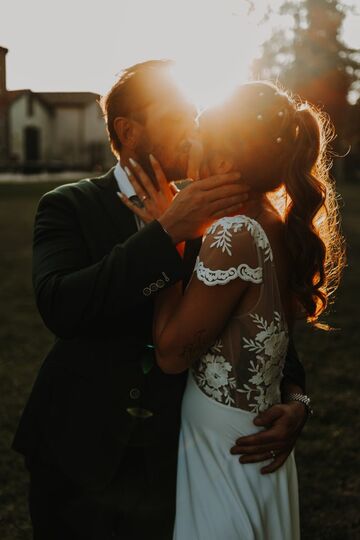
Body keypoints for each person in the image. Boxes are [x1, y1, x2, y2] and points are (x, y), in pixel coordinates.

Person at [12, 61, 308, 540]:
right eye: (176, 115)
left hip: (177, 464)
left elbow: (259, 330)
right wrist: (166, 233)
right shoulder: (69, 205)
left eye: (195, 114)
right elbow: (61, 307)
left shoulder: (219, 211)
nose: (194, 128)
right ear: (130, 131)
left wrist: (298, 400)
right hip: (82, 452)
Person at [122, 81, 345, 539]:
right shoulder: (277, 224)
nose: (188, 147)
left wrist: (171, 241)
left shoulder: (234, 235)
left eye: (198, 137)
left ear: (224, 162)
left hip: (226, 452)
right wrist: (299, 399)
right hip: (255, 444)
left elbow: (170, 354)